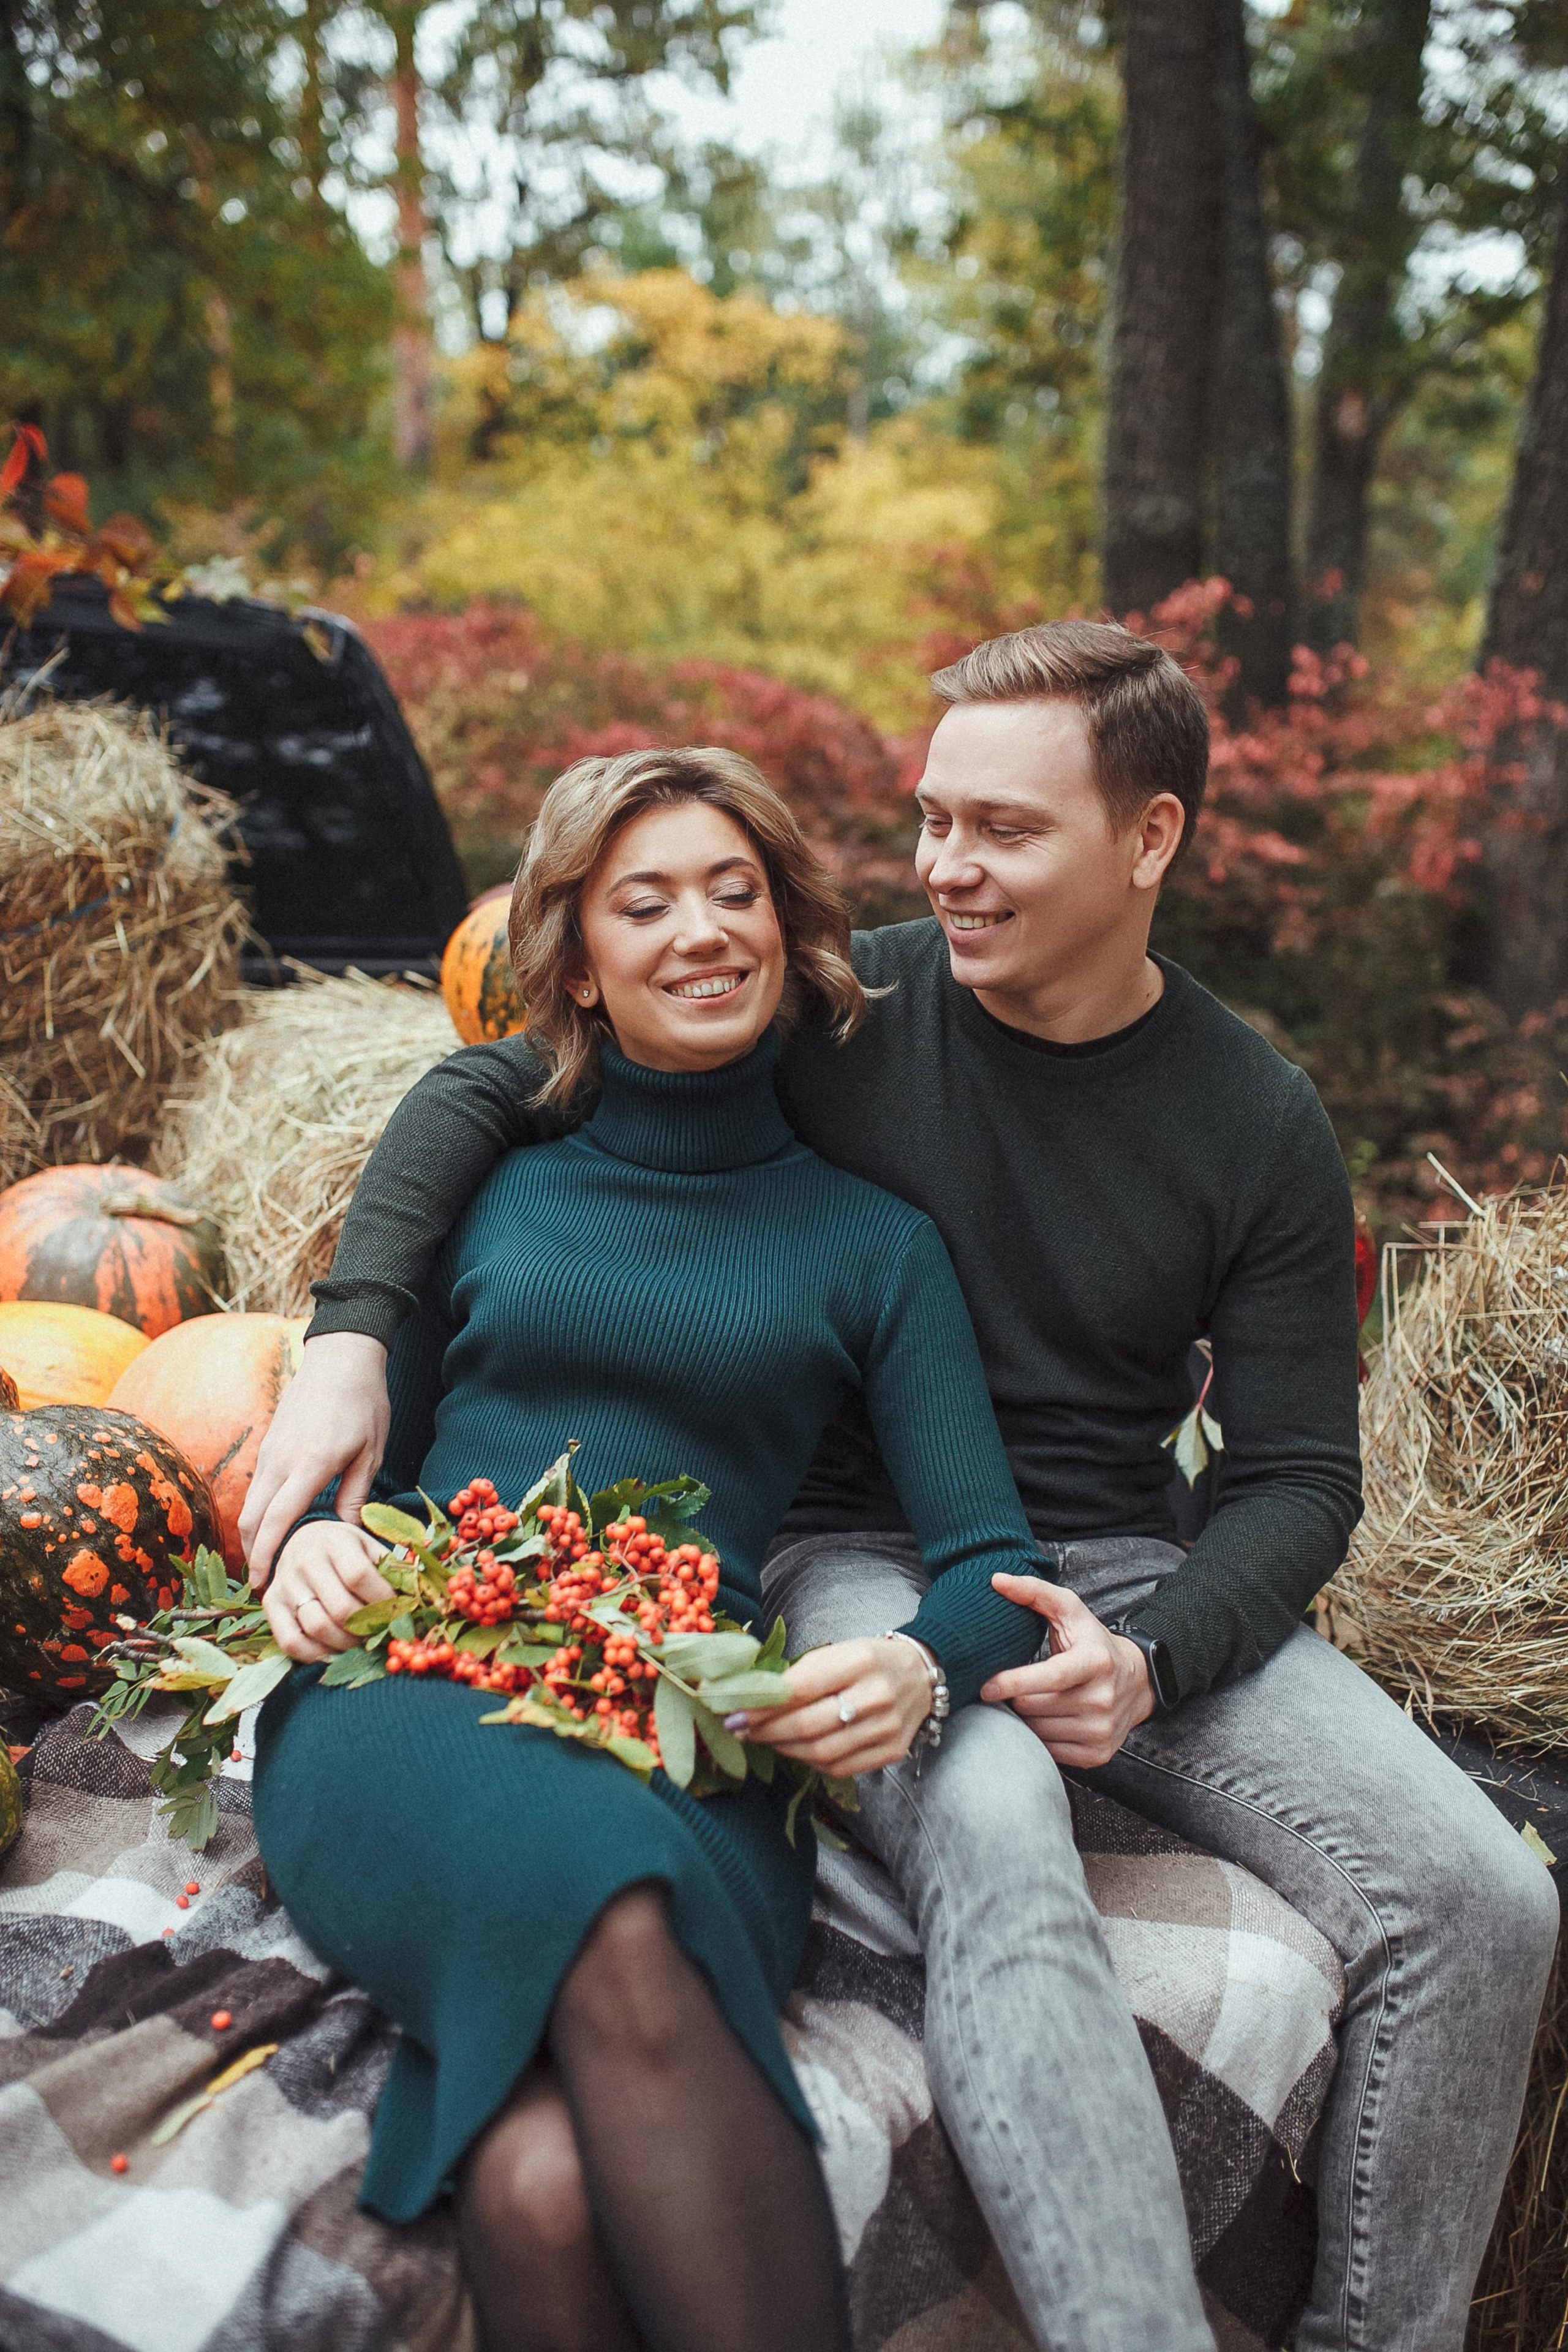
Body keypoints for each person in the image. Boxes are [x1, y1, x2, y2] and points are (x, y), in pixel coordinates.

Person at [246, 622, 1561, 2352]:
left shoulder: (1258, 1118)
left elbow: (1303, 1479)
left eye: (1001, 831)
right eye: (934, 821)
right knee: (1004, 1830)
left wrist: (1156, 1656)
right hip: (861, 1545)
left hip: (1126, 1572)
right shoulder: (837, 1004)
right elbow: (515, 1068)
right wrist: (351, 1331)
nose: (947, 865)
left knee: (1494, 1898)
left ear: (1149, 838)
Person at [251, 742, 1215, 2352]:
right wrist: (305, 1560)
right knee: (617, 1916)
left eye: (733, 891)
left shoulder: (872, 1242)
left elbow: (992, 1559)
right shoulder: (491, 1164)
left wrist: (922, 1660)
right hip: (423, 1676)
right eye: (646, 903)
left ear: (787, 925)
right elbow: (361, 1467)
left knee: (548, 2181)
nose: (700, 932)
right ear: (574, 954)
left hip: (680, 1712)